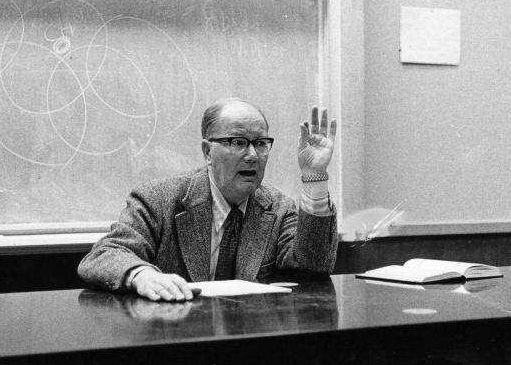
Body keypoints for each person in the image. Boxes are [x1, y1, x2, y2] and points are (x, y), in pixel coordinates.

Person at [78, 98, 338, 301]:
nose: (252, 155)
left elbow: (312, 265)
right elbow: (104, 255)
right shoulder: (158, 201)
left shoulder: (279, 209)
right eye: (237, 142)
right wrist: (142, 276)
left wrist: (314, 177)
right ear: (207, 151)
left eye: (260, 143)